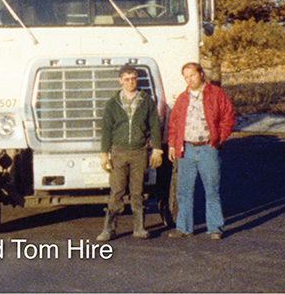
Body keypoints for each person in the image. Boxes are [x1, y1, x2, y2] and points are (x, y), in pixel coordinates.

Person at [167, 62, 234, 240]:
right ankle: (184, 227)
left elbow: (228, 118)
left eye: (192, 75)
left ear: (201, 74)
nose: (189, 79)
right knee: (184, 191)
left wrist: (219, 139)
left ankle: (215, 228)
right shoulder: (182, 98)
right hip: (186, 149)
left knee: (212, 189)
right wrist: (172, 145)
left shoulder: (216, 94)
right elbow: (174, 123)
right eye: (186, 77)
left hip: (208, 148)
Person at [97, 64, 163, 241]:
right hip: (118, 152)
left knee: (137, 191)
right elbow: (106, 129)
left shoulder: (146, 101)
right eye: (126, 79)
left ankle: (139, 228)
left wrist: (157, 150)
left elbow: (154, 126)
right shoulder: (113, 103)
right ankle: (108, 229)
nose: (130, 82)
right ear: (120, 80)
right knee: (117, 191)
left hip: (139, 152)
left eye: (133, 78)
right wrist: (104, 154)